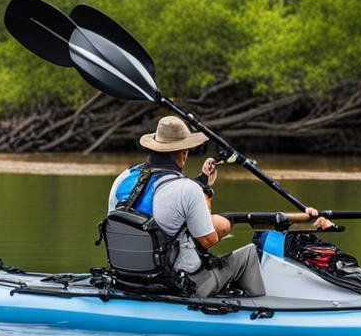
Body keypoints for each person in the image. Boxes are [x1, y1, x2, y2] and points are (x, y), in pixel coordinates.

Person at [107, 116, 332, 298]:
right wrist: (206, 191)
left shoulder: (124, 178)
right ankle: (256, 310)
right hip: (176, 283)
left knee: (220, 224)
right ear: (183, 154)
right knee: (248, 255)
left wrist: (202, 181)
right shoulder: (187, 189)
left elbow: (163, 210)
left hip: (129, 277)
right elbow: (209, 239)